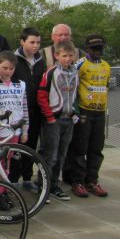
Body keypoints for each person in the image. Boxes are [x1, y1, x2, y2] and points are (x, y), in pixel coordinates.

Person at [64, 35, 111, 198]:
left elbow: (106, 86)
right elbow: (71, 88)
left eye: (100, 48)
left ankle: (92, 180)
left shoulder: (106, 66)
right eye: (94, 48)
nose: (98, 51)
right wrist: (74, 110)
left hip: (99, 112)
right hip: (84, 111)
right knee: (80, 148)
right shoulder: (80, 64)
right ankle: (77, 181)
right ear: (87, 49)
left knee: (96, 148)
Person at [37, 41, 80, 202]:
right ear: (56, 56)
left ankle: (54, 185)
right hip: (53, 120)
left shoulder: (75, 72)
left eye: (70, 56)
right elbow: (41, 96)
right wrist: (49, 116)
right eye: (64, 56)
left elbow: (75, 95)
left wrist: (75, 113)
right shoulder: (51, 72)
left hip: (68, 120)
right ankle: (43, 186)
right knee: (50, 155)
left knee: (61, 155)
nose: (68, 59)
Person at [0, 51, 30, 209]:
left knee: (7, 162)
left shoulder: (20, 84)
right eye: (4, 67)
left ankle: (3, 189)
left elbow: (24, 108)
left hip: (14, 131)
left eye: (11, 68)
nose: (8, 71)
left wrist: (25, 130)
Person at [9, 27, 46, 190]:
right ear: (22, 42)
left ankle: (26, 178)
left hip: (36, 110)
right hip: (19, 110)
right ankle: (13, 179)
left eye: (38, 42)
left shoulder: (40, 60)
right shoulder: (14, 60)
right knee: (17, 146)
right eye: (32, 42)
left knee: (31, 145)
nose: (35, 46)